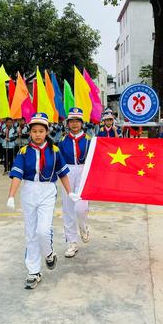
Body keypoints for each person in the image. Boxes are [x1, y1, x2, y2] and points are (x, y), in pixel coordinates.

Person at [6, 112, 77, 290]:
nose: (37, 134)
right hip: (29, 191)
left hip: (47, 191)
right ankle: (33, 271)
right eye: (34, 131)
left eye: (41, 131)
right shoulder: (23, 152)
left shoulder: (55, 151)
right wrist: (11, 196)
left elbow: (63, 174)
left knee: (43, 231)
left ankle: (49, 253)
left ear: (47, 132)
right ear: (30, 132)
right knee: (31, 233)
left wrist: (70, 193)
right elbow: (17, 175)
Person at [57, 107, 92, 258]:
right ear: (68, 123)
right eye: (72, 121)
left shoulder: (90, 140)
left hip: (84, 171)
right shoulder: (63, 140)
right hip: (68, 173)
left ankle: (83, 227)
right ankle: (72, 242)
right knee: (68, 208)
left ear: (82, 123)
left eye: (78, 121)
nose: (75, 124)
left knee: (81, 207)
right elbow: (59, 160)